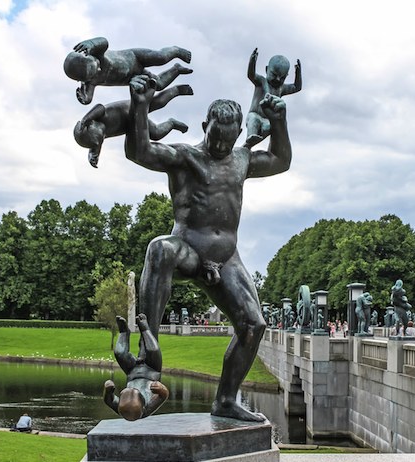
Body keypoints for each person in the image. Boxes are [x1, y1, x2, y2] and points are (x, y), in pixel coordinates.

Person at [124, 75, 291, 422]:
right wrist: (140, 107)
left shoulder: (241, 160)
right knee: (159, 249)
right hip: (189, 249)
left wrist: (279, 121)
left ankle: (226, 400)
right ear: (205, 126)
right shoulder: (185, 158)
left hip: (226, 258)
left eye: (228, 141)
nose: (220, 146)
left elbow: (280, 160)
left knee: (253, 325)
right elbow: (140, 151)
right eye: (216, 137)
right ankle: (146, 362)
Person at [74, 83, 192, 168]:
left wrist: (85, 118)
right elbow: (96, 144)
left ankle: (177, 90)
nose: (103, 135)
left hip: (130, 110)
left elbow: (99, 107)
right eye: (100, 139)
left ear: (91, 124)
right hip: (131, 125)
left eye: (100, 134)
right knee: (156, 133)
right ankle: (172, 123)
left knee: (156, 103)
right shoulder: (96, 138)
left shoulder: (97, 116)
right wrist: (93, 155)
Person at [64, 37, 192, 104]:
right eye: (94, 72)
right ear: (84, 79)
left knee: (161, 57)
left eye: (95, 64)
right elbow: (88, 97)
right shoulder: (90, 82)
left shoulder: (97, 54)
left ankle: (175, 50)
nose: (99, 68)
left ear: (88, 55)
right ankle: (176, 70)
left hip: (135, 57)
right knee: (158, 84)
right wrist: (84, 99)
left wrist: (91, 43)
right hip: (133, 77)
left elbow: (104, 42)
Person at [104, 314, 169, 421]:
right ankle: (145, 329)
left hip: (132, 371)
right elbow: (164, 396)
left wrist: (108, 391)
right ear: (142, 404)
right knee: (153, 350)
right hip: (151, 370)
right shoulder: (146, 409)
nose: (132, 388)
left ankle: (124, 332)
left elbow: (109, 401)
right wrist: (161, 389)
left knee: (119, 352)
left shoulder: (122, 408)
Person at [245, 48, 301, 148]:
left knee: (270, 126)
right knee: (253, 120)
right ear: (267, 70)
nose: (278, 79)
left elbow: (296, 87)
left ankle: (254, 143)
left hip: (267, 120)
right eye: (274, 75)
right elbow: (251, 75)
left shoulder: (281, 88)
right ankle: (251, 137)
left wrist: (298, 73)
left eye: (282, 77)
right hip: (255, 114)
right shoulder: (261, 81)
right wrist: (252, 61)